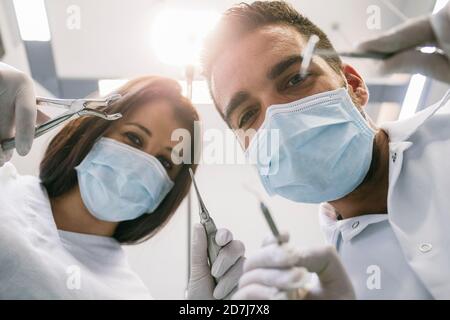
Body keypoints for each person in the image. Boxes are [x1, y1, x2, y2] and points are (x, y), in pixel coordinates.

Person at [202, 1, 450, 299]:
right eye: (246, 115)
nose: (277, 117)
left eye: (295, 79)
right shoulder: (331, 286)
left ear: (354, 85)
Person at [0, 62, 244, 299]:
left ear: (169, 191)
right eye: (134, 138)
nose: (141, 165)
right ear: (94, 131)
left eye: (165, 162)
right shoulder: (4, 184)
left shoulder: (128, 294)